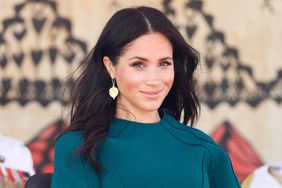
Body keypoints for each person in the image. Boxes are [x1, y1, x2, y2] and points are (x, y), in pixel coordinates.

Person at [51, 6, 241, 188]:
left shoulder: (204, 149)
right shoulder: (78, 147)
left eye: (164, 64)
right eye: (139, 65)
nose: (154, 79)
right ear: (111, 67)